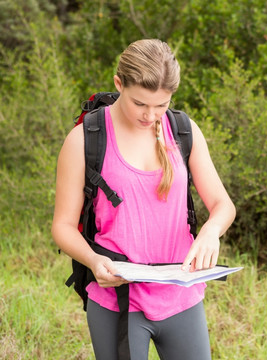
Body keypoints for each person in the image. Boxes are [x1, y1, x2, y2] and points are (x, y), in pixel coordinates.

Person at [51, 39, 236, 360]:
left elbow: (223, 205)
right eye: (140, 103)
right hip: (116, 299)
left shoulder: (183, 130)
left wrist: (210, 232)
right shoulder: (85, 138)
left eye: (161, 104)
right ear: (119, 84)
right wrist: (94, 261)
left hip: (181, 294)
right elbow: (63, 226)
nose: (151, 115)